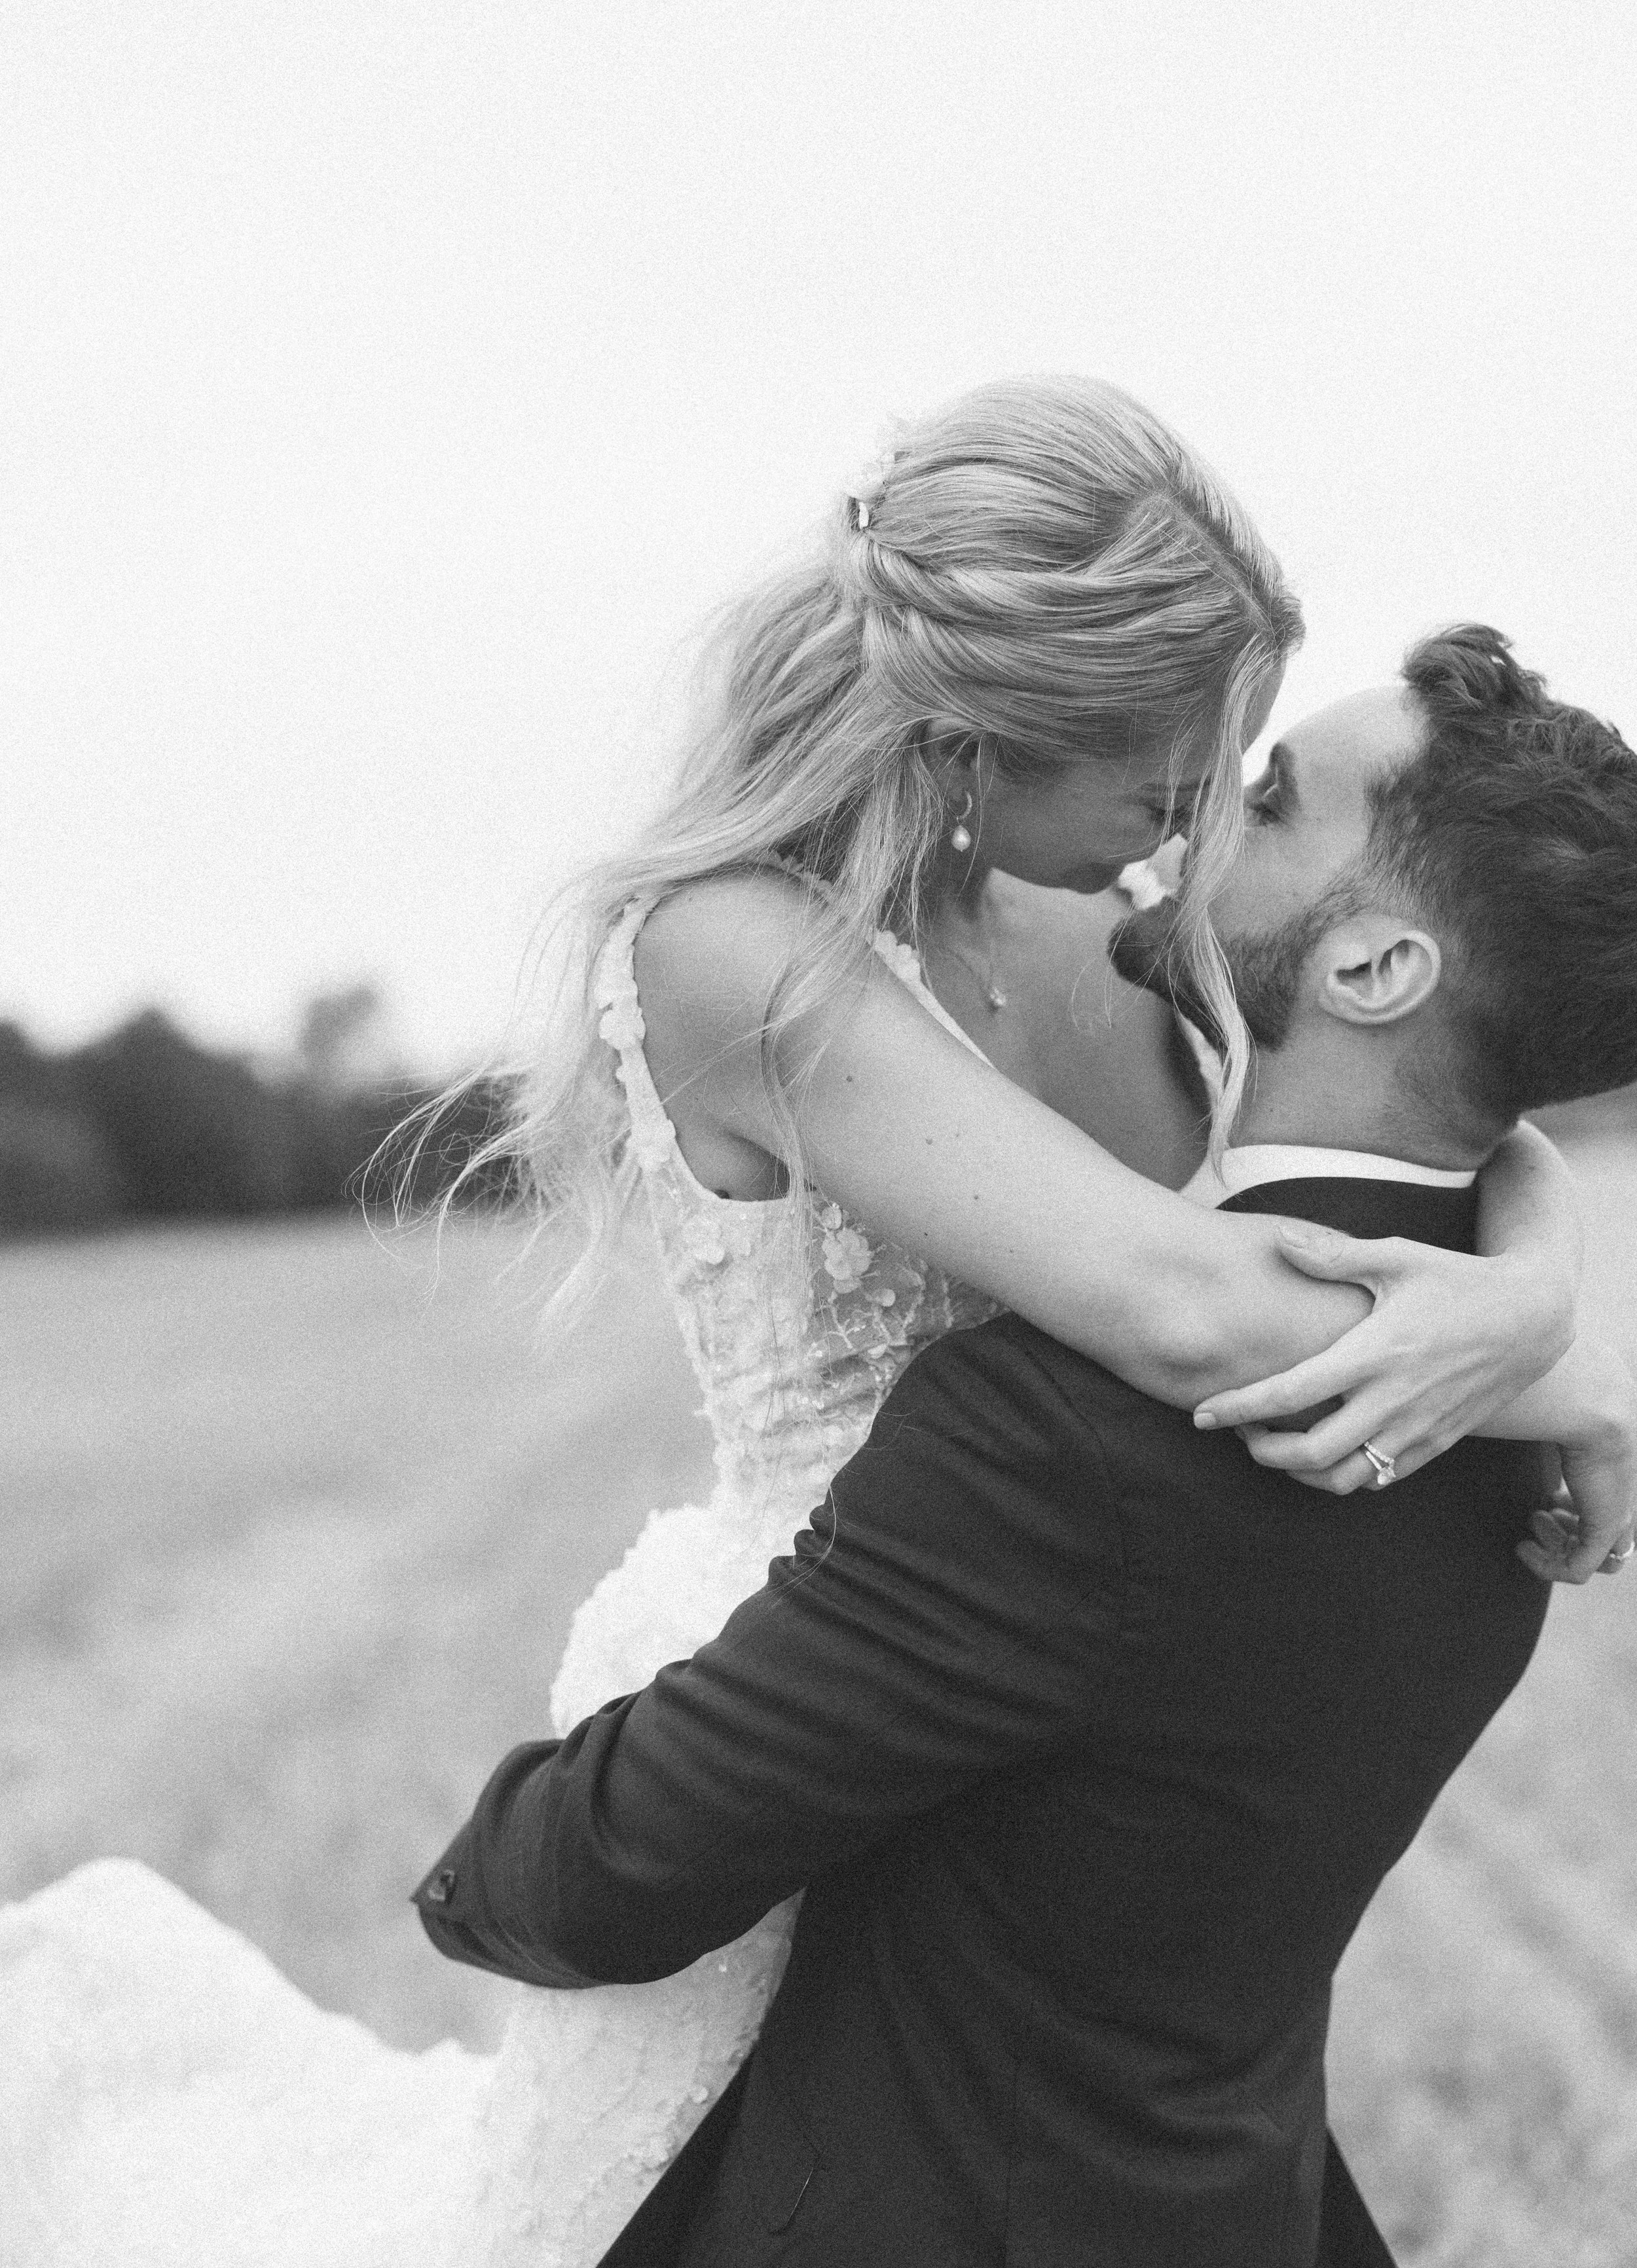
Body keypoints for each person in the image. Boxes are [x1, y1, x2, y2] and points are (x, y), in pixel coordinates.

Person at [1, 383, 1625, 2268]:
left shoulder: (1107, 925)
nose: (1177, 854)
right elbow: (1194, 1285)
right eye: (1173, 789)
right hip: (823, 1646)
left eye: (1230, 795)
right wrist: (1525, 1325)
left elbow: (1420, 1113)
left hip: (1017, 1658)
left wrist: (1527, 1285)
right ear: (979, 735)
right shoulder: (742, 954)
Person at [416, 625, 1637, 2266]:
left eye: (1269, 804)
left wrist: (478, 1858)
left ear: (1371, 972)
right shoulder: (1506, 1440)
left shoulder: (1062, 1441)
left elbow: (590, 1883)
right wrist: (1540, 1294)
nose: (1196, 828)